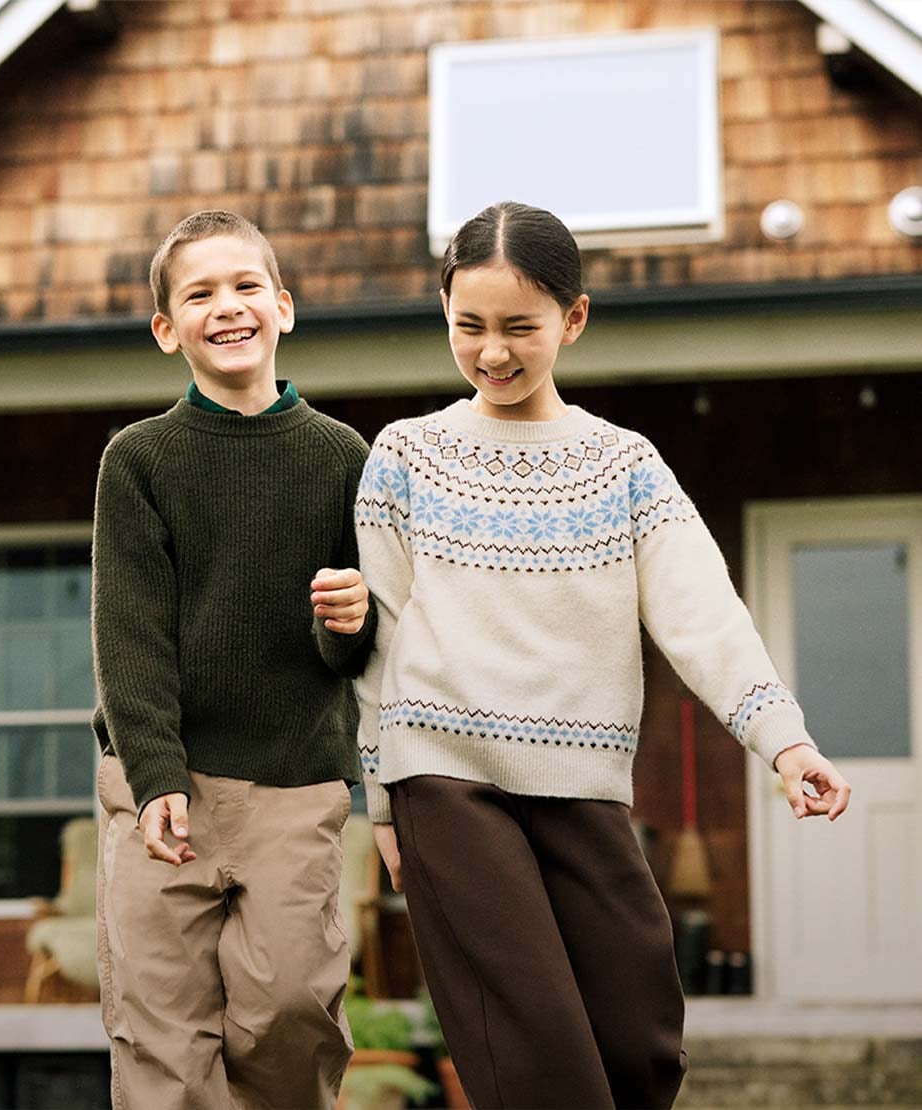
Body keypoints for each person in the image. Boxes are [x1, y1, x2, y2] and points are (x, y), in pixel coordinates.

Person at [354, 201, 851, 1110]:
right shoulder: (405, 458)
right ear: (444, 312)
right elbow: (377, 642)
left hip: (583, 784)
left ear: (573, 320)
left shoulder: (622, 465)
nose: (492, 352)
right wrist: (383, 800)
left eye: (519, 327)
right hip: (446, 783)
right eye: (469, 326)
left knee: (638, 1043)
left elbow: (703, 613)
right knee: (537, 1054)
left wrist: (785, 741)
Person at [92, 209, 377, 1110]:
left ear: (284, 307)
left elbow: (358, 651)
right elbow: (130, 633)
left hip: (295, 783)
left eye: (247, 286)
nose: (229, 306)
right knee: (163, 1030)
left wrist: (349, 620)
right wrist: (155, 772)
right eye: (200, 293)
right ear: (167, 329)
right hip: (161, 788)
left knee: (292, 1007)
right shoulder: (139, 460)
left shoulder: (343, 457)